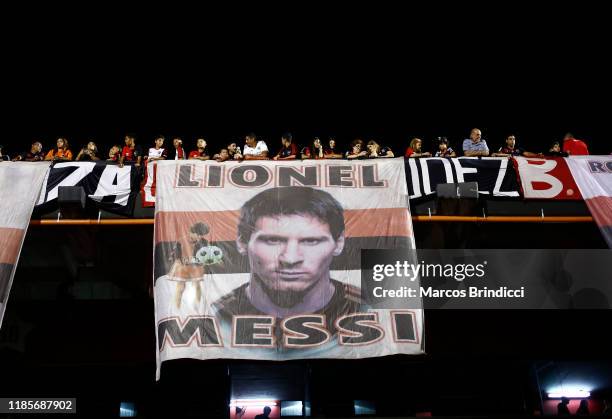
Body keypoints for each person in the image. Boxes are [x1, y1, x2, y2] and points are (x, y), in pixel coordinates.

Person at [212, 187, 362, 332]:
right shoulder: (213, 315)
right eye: (272, 240)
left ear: (339, 243)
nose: (290, 259)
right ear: (242, 243)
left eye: (311, 241)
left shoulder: (368, 308)